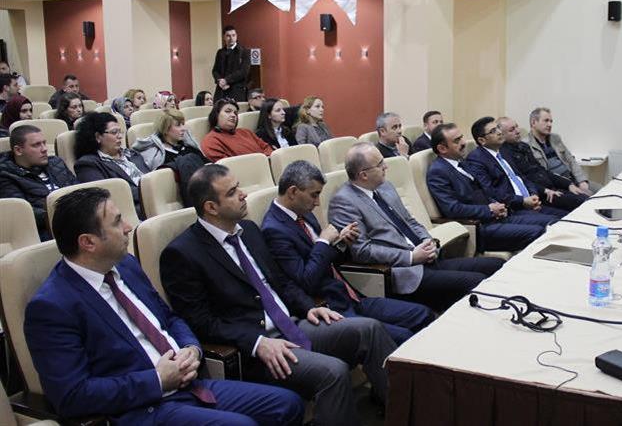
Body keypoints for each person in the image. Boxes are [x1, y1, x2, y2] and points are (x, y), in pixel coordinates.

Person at [24, 188, 304, 425]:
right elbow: (71, 396)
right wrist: (157, 380)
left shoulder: (125, 266)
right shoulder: (52, 307)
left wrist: (191, 348)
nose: (128, 227)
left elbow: (169, 318)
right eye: (117, 222)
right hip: (140, 409)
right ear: (88, 242)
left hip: (189, 384)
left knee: (287, 404)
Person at [160, 165, 396, 426]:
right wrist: (257, 342)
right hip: (256, 347)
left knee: (370, 329)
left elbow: (280, 282)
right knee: (333, 371)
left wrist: (308, 307)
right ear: (211, 207)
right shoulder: (182, 253)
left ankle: (401, 413)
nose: (244, 194)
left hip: (291, 324)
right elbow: (201, 322)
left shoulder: (248, 230)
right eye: (233, 192)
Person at [262, 160, 435, 344]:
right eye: (314, 195)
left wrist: (342, 243)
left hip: (350, 296)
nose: (318, 202)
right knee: (403, 336)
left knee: (422, 314)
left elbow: (326, 261)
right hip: (330, 307)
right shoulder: (274, 230)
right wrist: (323, 242)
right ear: (293, 192)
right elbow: (306, 281)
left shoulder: (304, 213)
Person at [328, 142, 505, 312]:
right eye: (380, 164)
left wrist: (428, 241)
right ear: (363, 175)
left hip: (427, 259)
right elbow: (363, 251)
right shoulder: (344, 202)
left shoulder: (385, 187)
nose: (386, 167)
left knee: (496, 265)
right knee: (477, 281)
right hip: (404, 271)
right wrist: (411, 257)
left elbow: (410, 221)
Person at [426, 123, 547, 252]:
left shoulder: (462, 162)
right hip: (478, 227)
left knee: (551, 224)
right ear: (442, 148)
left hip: (498, 217)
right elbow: (453, 209)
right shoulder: (438, 172)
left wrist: (498, 205)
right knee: (538, 232)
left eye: (461, 137)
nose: (463, 143)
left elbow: (484, 190)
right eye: (457, 141)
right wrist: (489, 210)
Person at [465, 117, 567, 221]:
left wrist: (533, 195)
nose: (499, 132)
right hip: (513, 210)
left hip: (530, 203)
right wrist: (522, 201)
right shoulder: (476, 159)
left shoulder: (503, 151)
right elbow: (491, 192)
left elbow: (521, 177)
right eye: (493, 131)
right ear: (482, 140)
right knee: (557, 222)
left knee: (567, 217)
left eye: (498, 128)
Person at [0, 125, 77, 240]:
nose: (44, 149)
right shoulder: (6, 175)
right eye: (36, 145)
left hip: (77, 221)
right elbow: (24, 214)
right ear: (18, 150)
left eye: (44, 143)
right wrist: (66, 213)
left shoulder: (56, 163)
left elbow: (79, 189)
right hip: (44, 232)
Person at [498, 116, 587, 212]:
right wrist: (544, 190)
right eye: (512, 130)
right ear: (502, 135)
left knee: (586, 197)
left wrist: (568, 184)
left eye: (517, 126)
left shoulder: (524, 146)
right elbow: (521, 180)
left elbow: (542, 170)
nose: (518, 131)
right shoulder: (504, 154)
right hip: (539, 194)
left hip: (551, 186)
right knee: (582, 202)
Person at [74, 112, 151, 219]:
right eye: (114, 132)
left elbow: (149, 177)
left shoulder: (132, 154)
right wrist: (150, 191)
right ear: (98, 137)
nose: (120, 136)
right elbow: (108, 196)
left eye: (120, 132)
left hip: (153, 202)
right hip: (132, 212)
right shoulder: (88, 164)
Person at [526, 107, 595, 196]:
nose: (550, 124)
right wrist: (568, 185)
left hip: (573, 179)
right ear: (533, 123)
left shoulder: (555, 138)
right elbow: (539, 176)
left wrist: (582, 181)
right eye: (546, 121)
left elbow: (571, 160)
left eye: (551, 121)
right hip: (558, 186)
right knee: (589, 199)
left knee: (603, 190)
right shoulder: (526, 145)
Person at [132, 108, 207, 169]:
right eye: (178, 125)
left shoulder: (189, 147)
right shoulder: (159, 157)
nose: (183, 128)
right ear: (165, 129)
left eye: (183, 124)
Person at [200, 98, 272, 161]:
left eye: (235, 113)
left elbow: (266, 147)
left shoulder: (246, 132)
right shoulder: (211, 140)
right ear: (216, 115)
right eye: (228, 111)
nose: (233, 115)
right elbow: (228, 166)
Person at [212, 25, 251, 102]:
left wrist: (226, 80)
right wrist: (219, 81)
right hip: (221, 90)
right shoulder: (220, 52)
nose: (231, 38)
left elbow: (243, 71)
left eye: (233, 35)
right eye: (228, 36)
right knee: (218, 108)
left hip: (237, 90)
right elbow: (215, 70)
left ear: (236, 36)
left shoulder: (244, 51)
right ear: (224, 37)